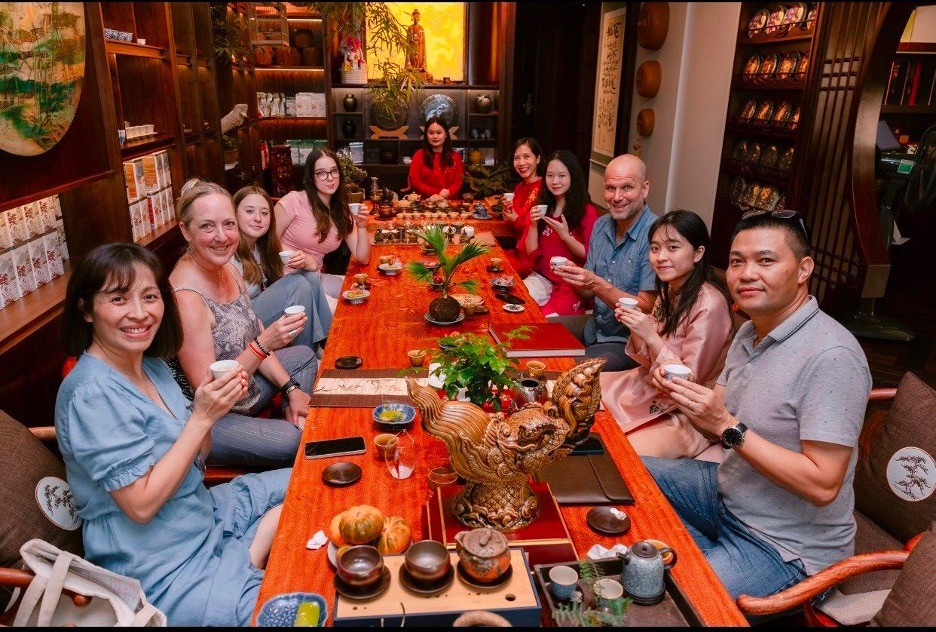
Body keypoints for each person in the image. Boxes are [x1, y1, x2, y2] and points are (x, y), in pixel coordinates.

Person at [55, 242, 290, 626]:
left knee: (312, 481)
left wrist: (209, 413)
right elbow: (141, 506)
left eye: (150, 297)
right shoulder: (90, 394)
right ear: (85, 310)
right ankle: (244, 560)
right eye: (118, 299)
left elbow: (198, 456)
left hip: (201, 512)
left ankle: (247, 552)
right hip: (160, 565)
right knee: (288, 612)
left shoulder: (154, 367)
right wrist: (200, 418)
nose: (139, 313)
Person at [643, 210, 872, 603]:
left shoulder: (832, 356)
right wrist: (693, 405)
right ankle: (697, 556)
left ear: (803, 269)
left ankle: (700, 568)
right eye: (736, 261)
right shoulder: (750, 329)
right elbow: (717, 421)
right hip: (727, 496)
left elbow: (823, 485)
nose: (746, 274)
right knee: (625, 472)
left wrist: (726, 425)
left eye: (765, 260)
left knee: (667, 599)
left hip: (783, 545)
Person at [170, 179, 317, 467]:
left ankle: (293, 416)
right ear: (185, 231)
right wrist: (263, 345)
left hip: (246, 390)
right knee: (298, 441)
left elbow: (253, 331)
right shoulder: (185, 298)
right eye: (207, 226)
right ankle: (288, 437)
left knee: (305, 356)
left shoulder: (228, 269)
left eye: (228, 224)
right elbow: (212, 396)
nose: (222, 236)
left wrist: (291, 390)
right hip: (210, 419)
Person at [600, 210, 734, 458]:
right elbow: (645, 360)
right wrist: (636, 327)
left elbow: (687, 382)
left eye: (672, 248)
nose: (661, 257)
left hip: (685, 412)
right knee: (577, 393)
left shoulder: (709, 304)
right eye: (655, 248)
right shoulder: (669, 291)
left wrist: (649, 335)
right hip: (647, 385)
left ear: (698, 253)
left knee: (617, 453)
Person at [552, 153, 658, 371]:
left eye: (627, 188)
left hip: (629, 341)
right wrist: (575, 277)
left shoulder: (656, 235)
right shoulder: (601, 226)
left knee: (567, 369)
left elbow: (647, 308)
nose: (617, 197)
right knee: (534, 335)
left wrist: (595, 283)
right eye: (610, 188)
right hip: (595, 325)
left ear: (644, 189)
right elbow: (588, 294)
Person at [231, 185, 332, 351]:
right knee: (297, 284)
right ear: (234, 214)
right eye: (249, 211)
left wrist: (303, 260)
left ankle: (327, 343)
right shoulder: (229, 249)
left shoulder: (263, 245)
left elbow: (313, 266)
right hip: (243, 319)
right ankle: (308, 355)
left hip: (259, 307)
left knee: (309, 276)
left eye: (264, 213)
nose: (258, 218)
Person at [274, 148, 371, 304]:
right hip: (287, 280)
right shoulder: (294, 201)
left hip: (314, 278)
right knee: (341, 312)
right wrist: (301, 258)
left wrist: (361, 225)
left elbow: (363, 258)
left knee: (362, 293)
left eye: (334, 171)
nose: (330, 178)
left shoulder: (340, 211)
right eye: (321, 173)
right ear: (311, 177)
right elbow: (268, 239)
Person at [520, 150, 598, 316]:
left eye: (562, 176)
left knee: (547, 321)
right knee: (516, 306)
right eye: (550, 176)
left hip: (570, 285)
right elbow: (531, 251)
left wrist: (565, 236)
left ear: (573, 177)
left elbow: (589, 255)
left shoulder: (586, 212)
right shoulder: (543, 207)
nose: (555, 181)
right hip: (541, 278)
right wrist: (533, 225)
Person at [501, 137, 544, 276]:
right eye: (516, 158)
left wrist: (516, 220)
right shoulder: (519, 187)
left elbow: (540, 229)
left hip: (532, 258)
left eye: (526, 157)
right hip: (517, 250)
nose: (521, 163)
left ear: (538, 158)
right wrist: (507, 212)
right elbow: (514, 220)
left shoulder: (544, 189)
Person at [407, 116, 464, 199]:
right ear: (426, 135)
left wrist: (446, 193)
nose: (435, 136)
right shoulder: (419, 155)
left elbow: (458, 182)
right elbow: (415, 181)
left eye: (439, 132)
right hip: (426, 203)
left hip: (450, 204)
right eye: (431, 133)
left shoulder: (455, 156)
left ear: (446, 134)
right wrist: (437, 192)